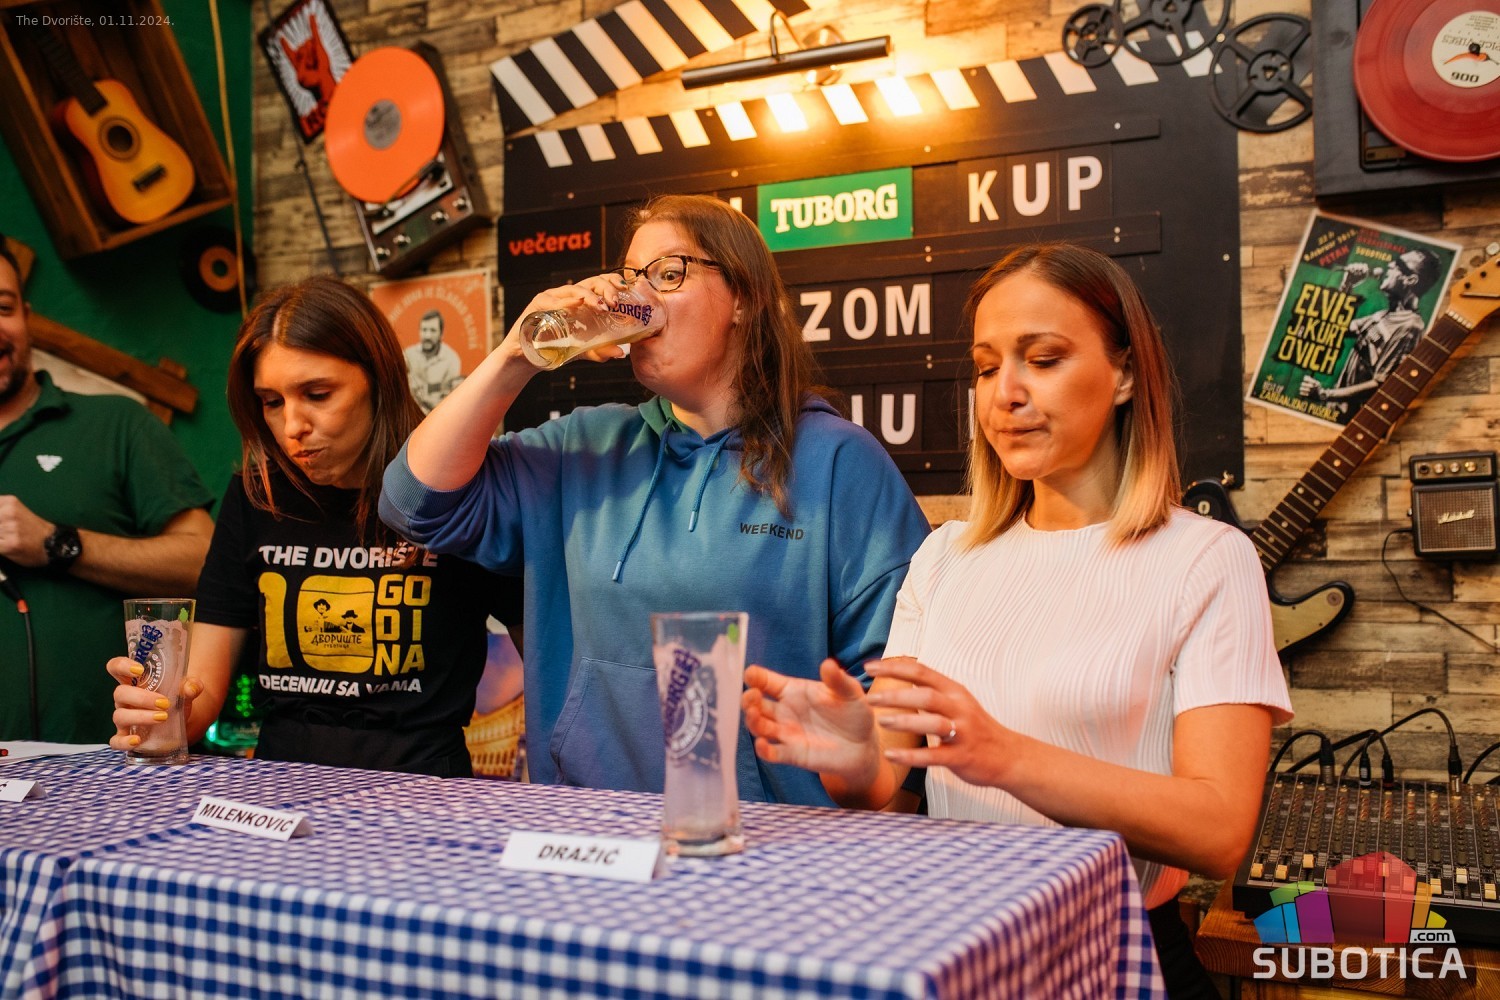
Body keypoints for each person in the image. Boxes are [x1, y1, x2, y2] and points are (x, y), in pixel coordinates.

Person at [742, 244, 1293, 997]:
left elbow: (1220, 830)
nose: (1006, 393)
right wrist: (852, 759)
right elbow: (889, 786)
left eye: (1043, 359)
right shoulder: (944, 557)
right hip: (956, 952)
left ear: (1125, 374)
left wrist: (1003, 756)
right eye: (985, 366)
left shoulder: (1206, 559)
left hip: (1113, 956)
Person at [380, 193, 930, 805]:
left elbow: (893, 708)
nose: (638, 298)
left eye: (668, 274)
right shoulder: (584, 446)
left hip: (763, 841)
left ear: (744, 299)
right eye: (629, 279)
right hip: (589, 829)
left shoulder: (837, 461)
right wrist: (518, 354)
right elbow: (412, 500)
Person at [107, 276, 520, 776]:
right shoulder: (256, 495)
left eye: (318, 394)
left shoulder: (455, 488)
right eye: (271, 401)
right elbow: (202, 696)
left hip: (421, 786)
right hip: (279, 786)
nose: (292, 427)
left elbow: (548, 665)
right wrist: (163, 716)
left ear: (379, 380)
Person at [0, 234, 215, 744]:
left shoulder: (117, 425)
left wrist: (57, 543)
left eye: (3, 308)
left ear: (27, 316)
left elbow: (205, 561)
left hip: (111, 763)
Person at [1299, 248, 1441, 415]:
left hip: (1355, 416)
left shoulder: (1410, 326)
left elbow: (1381, 384)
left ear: (1410, 279)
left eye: (1398, 264)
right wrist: (1347, 285)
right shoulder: (1383, 315)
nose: (1390, 264)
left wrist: (1324, 394)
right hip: (1336, 411)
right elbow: (1331, 329)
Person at [404, 308, 462, 412]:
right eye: (424, 330)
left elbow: (449, 403)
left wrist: (423, 398)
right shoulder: (408, 355)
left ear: (441, 334)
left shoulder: (451, 359)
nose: (427, 336)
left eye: (433, 330)